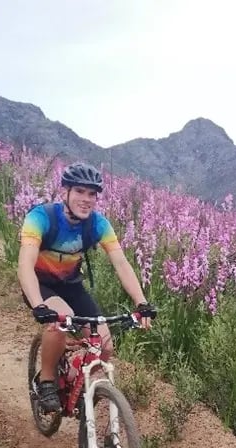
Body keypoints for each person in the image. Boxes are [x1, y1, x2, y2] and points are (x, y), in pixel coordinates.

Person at [18, 161, 152, 413]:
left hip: (71, 285)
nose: (86, 199)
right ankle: (46, 380)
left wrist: (141, 303)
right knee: (60, 321)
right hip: (40, 284)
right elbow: (25, 264)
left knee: (106, 345)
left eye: (92, 194)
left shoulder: (97, 224)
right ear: (64, 192)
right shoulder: (41, 218)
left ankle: (72, 379)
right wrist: (38, 305)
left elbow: (121, 263)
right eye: (79, 191)